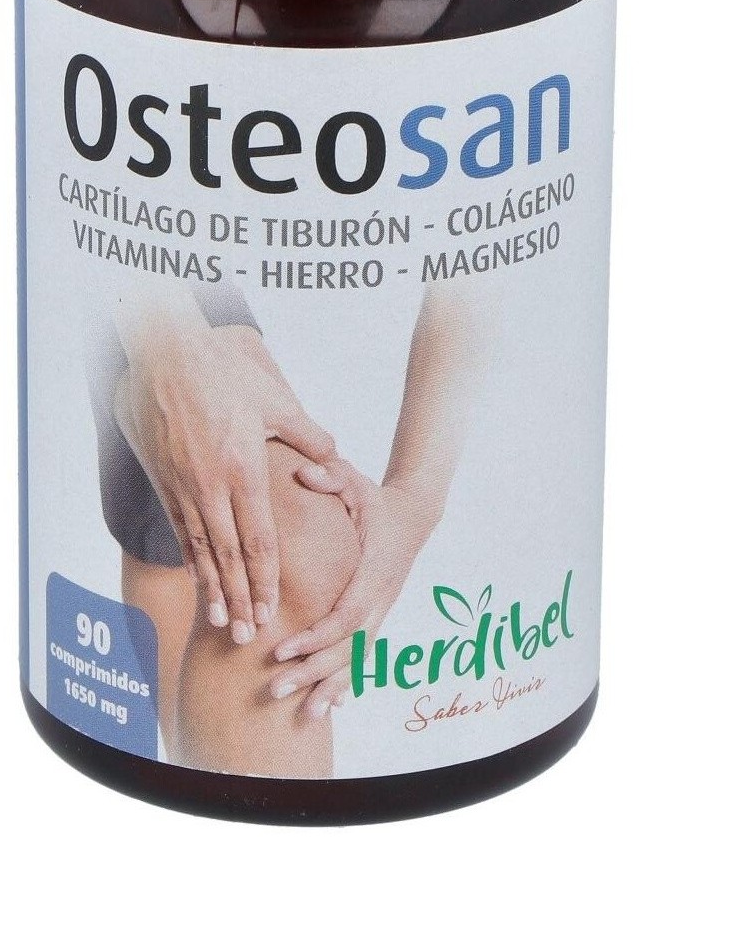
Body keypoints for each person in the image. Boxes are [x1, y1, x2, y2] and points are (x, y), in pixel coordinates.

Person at [91, 279, 486, 778]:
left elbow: (487, 253)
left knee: (257, 537)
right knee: (278, 543)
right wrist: (163, 351)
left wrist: (415, 497)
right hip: (133, 246)